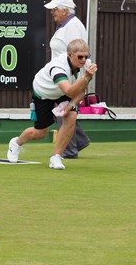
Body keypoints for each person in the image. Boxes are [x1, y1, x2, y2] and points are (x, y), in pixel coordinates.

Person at [7, 39, 97, 170]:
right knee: (40, 132)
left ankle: (56, 157)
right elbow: (69, 90)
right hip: (44, 92)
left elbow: (81, 91)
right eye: (80, 57)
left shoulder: (86, 65)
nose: (83, 60)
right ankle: (16, 143)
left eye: (86, 56)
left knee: (71, 117)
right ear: (69, 54)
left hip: (64, 91)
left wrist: (70, 106)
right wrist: (86, 77)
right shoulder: (58, 68)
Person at [44, 0, 90, 159]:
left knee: (61, 110)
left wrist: (80, 81)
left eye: (55, 9)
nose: (52, 13)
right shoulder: (67, 25)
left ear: (64, 10)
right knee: (62, 109)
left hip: (68, 76)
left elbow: (80, 55)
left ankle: (69, 150)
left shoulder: (72, 27)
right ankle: (79, 140)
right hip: (62, 74)